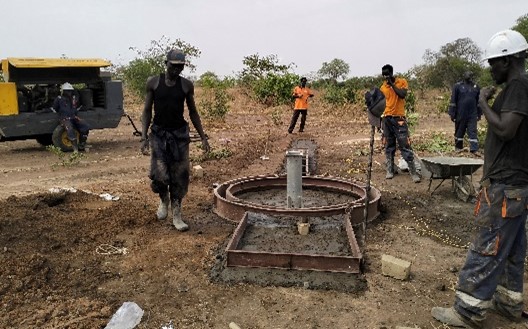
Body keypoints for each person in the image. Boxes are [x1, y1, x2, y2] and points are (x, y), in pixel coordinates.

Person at [432, 29, 528, 328]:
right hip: (517, 186)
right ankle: (509, 303)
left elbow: (506, 129)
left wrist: (484, 103)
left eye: (494, 63)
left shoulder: (517, 87)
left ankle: (468, 311)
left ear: (508, 60)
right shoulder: (522, 86)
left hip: (505, 184)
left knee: (488, 244)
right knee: (512, 249)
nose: (491, 69)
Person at [140, 49, 210, 232]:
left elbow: (193, 112)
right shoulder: (153, 83)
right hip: (159, 134)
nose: (176, 70)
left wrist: (203, 137)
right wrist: (143, 137)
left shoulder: (186, 85)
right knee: (160, 174)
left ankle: (177, 214)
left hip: (179, 135)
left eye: (180, 67)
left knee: (179, 176)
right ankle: (164, 201)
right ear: (166, 63)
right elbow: (147, 110)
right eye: (173, 66)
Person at [380, 64, 420, 183]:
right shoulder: (383, 87)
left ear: (392, 73)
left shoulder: (401, 82)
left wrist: (392, 84)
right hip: (387, 118)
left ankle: (413, 172)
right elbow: (381, 104)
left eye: (387, 74)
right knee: (389, 145)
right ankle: (390, 170)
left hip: (399, 119)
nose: (386, 77)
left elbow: (402, 94)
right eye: (384, 75)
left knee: (405, 145)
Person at [448, 71, 482, 154]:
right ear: (464, 76)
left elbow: (479, 102)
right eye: (467, 74)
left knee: (472, 131)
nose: (468, 76)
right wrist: (452, 113)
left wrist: (479, 113)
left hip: (472, 114)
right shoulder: (458, 86)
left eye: (470, 74)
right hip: (460, 113)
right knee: (459, 130)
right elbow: (453, 100)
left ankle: (474, 149)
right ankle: (458, 148)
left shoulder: (476, 87)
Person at [52, 82, 90, 152]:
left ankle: (82, 144)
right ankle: (75, 148)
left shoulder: (74, 99)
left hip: (73, 117)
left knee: (85, 126)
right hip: (65, 119)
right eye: (67, 91)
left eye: (70, 91)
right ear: (64, 91)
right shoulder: (59, 99)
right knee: (70, 129)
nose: (69, 93)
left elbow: (78, 106)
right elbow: (55, 109)